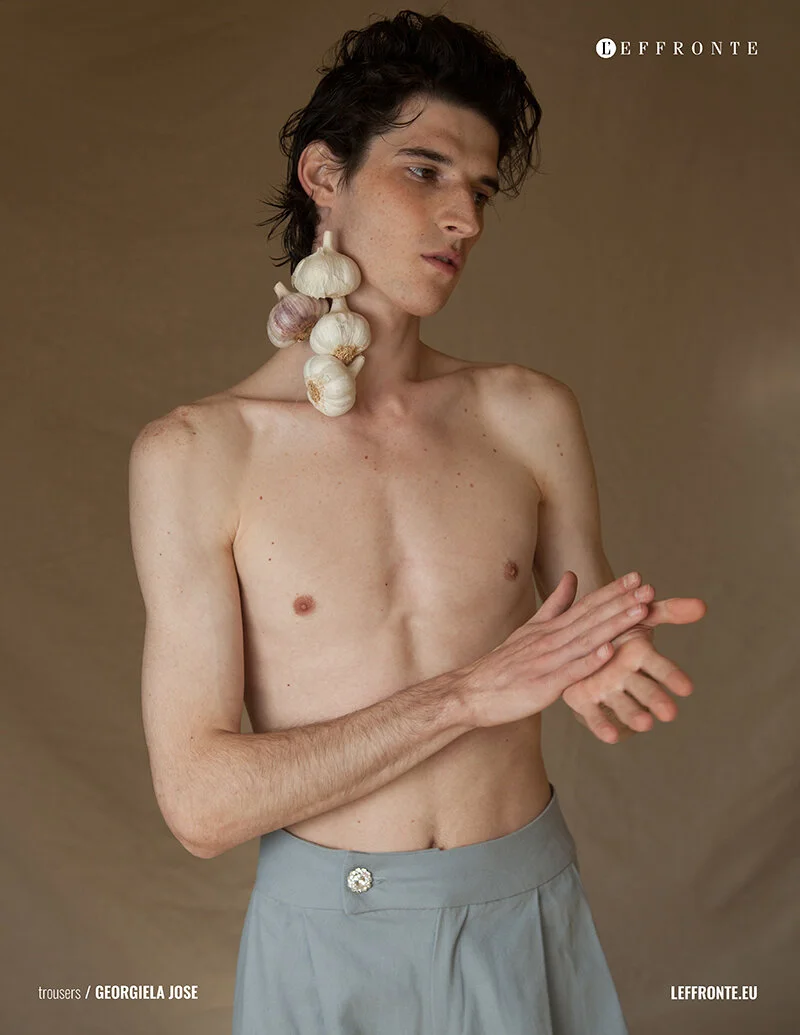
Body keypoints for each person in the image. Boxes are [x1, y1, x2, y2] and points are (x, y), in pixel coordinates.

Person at [128, 10, 706, 1034]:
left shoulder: (528, 413)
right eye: (424, 171)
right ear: (324, 176)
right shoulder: (195, 454)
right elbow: (202, 807)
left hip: (524, 910)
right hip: (325, 941)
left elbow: (580, 629)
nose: (463, 219)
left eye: (478, 190)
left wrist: (602, 654)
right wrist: (465, 695)